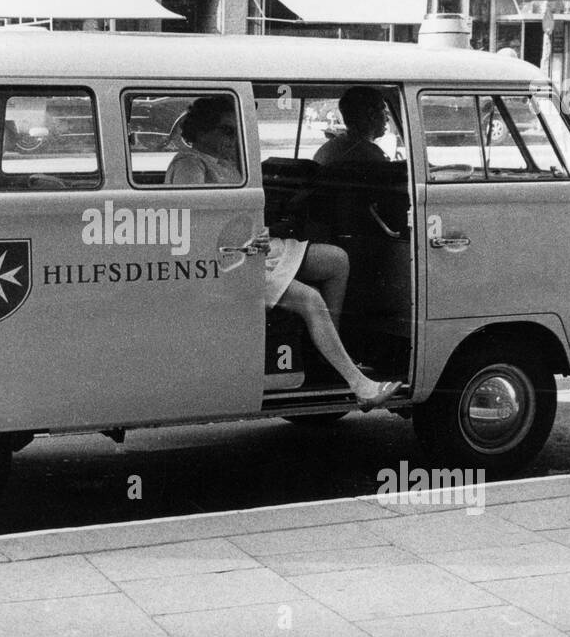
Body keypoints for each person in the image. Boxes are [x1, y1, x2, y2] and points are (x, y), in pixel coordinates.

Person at [166, 96, 401, 409]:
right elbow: (192, 224)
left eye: (237, 132)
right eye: (226, 132)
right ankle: (359, 383)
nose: (234, 139)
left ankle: (329, 349)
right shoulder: (190, 164)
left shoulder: (228, 163)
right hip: (225, 261)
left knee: (336, 260)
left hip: (253, 249)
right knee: (310, 299)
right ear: (200, 132)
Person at [314, 87, 392, 166]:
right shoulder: (371, 155)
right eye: (383, 111)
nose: (387, 118)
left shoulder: (327, 149)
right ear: (372, 114)